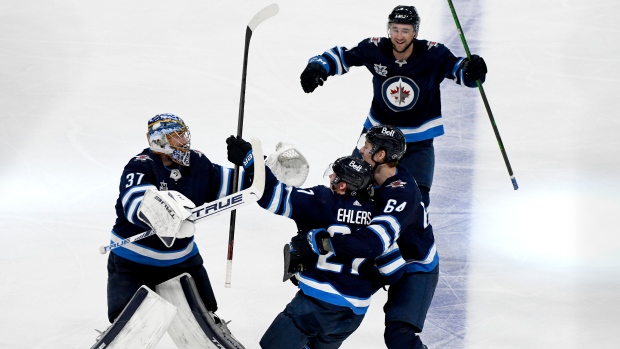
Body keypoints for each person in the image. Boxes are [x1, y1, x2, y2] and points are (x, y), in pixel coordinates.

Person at [299, 5, 488, 207]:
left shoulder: (433, 54)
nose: (399, 36)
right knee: (349, 186)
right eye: (395, 29)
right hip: (375, 138)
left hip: (417, 141)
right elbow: (343, 56)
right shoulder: (375, 49)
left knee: (417, 202)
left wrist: (472, 69)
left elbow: (461, 72)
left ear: (415, 32)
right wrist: (318, 66)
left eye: (405, 30)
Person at [226, 136, 405, 349]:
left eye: (335, 174)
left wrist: (250, 159)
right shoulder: (378, 215)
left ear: (342, 186)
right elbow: (394, 270)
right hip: (352, 315)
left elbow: (272, 196)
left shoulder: (322, 201)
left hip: (314, 306)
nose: (330, 176)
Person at [106, 113, 234, 327]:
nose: (184, 141)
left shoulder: (198, 163)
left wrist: (255, 166)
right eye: (177, 136)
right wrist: (166, 218)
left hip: (182, 261)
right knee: (126, 325)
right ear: (160, 141)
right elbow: (136, 203)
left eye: (184, 135)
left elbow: (232, 183)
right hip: (133, 262)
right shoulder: (140, 166)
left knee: (206, 318)